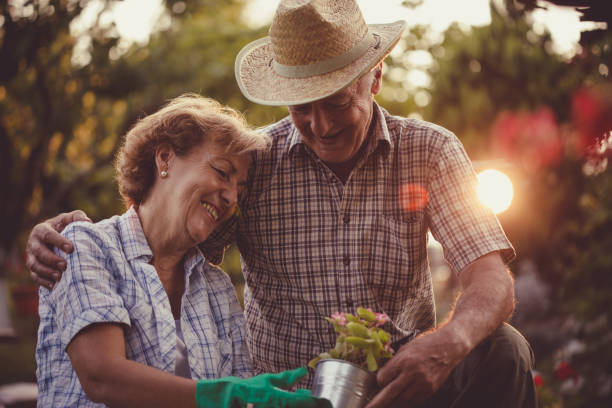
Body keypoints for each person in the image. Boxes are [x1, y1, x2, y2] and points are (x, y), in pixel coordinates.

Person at [28, 0, 536, 406]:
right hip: (287, 394)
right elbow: (168, 235)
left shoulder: (430, 150)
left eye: (337, 102)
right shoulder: (258, 164)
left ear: (375, 77)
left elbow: (489, 276)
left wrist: (444, 346)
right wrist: (72, 233)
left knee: (506, 350)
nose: (320, 125)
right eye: (301, 108)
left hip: (400, 384)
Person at [34, 94, 329, 408]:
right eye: (222, 172)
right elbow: (102, 376)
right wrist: (219, 395)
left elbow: (243, 394)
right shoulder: (86, 246)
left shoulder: (216, 289)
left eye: (239, 188)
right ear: (165, 159)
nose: (231, 197)